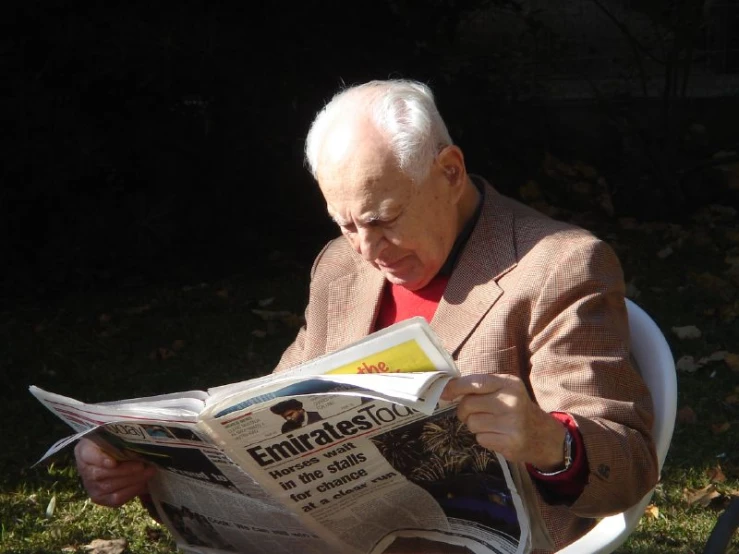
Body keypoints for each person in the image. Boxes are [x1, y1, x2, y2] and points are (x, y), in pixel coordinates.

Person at [74, 79, 658, 552]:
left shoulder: (558, 266)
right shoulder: (340, 268)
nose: (367, 249)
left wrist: (549, 441)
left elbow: (630, 466)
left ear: (449, 172)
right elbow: (266, 414)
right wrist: (137, 462)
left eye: (382, 218)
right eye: (345, 223)